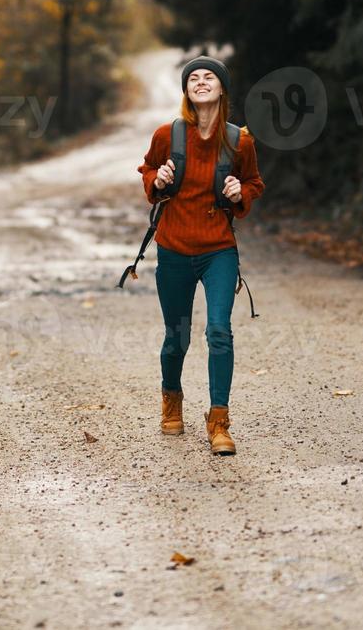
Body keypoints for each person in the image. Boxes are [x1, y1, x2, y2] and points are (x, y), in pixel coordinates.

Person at [136, 56, 265, 455]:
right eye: (194, 78)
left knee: (219, 330)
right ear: (186, 90)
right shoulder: (167, 135)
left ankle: (219, 421)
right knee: (176, 337)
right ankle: (171, 398)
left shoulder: (238, 140)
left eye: (210, 77)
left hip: (218, 250)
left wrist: (238, 194)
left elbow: (253, 182)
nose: (202, 81)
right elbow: (147, 169)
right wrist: (155, 180)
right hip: (174, 247)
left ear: (222, 89)